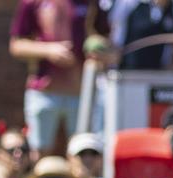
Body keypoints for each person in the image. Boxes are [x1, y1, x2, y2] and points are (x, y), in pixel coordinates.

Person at [9, 0, 111, 156]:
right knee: (38, 153)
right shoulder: (32, 2)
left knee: (82, 154)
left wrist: (98, 50)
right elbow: (16, 45)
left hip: (81, 92)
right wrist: (49, 50)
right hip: (44, 91)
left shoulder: (91, 2)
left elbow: (105, 37)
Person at [104, 0, 173, 71]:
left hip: (157, 79)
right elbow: (112, 35)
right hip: (127, 75)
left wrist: (172, 70)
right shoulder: (128, 3)